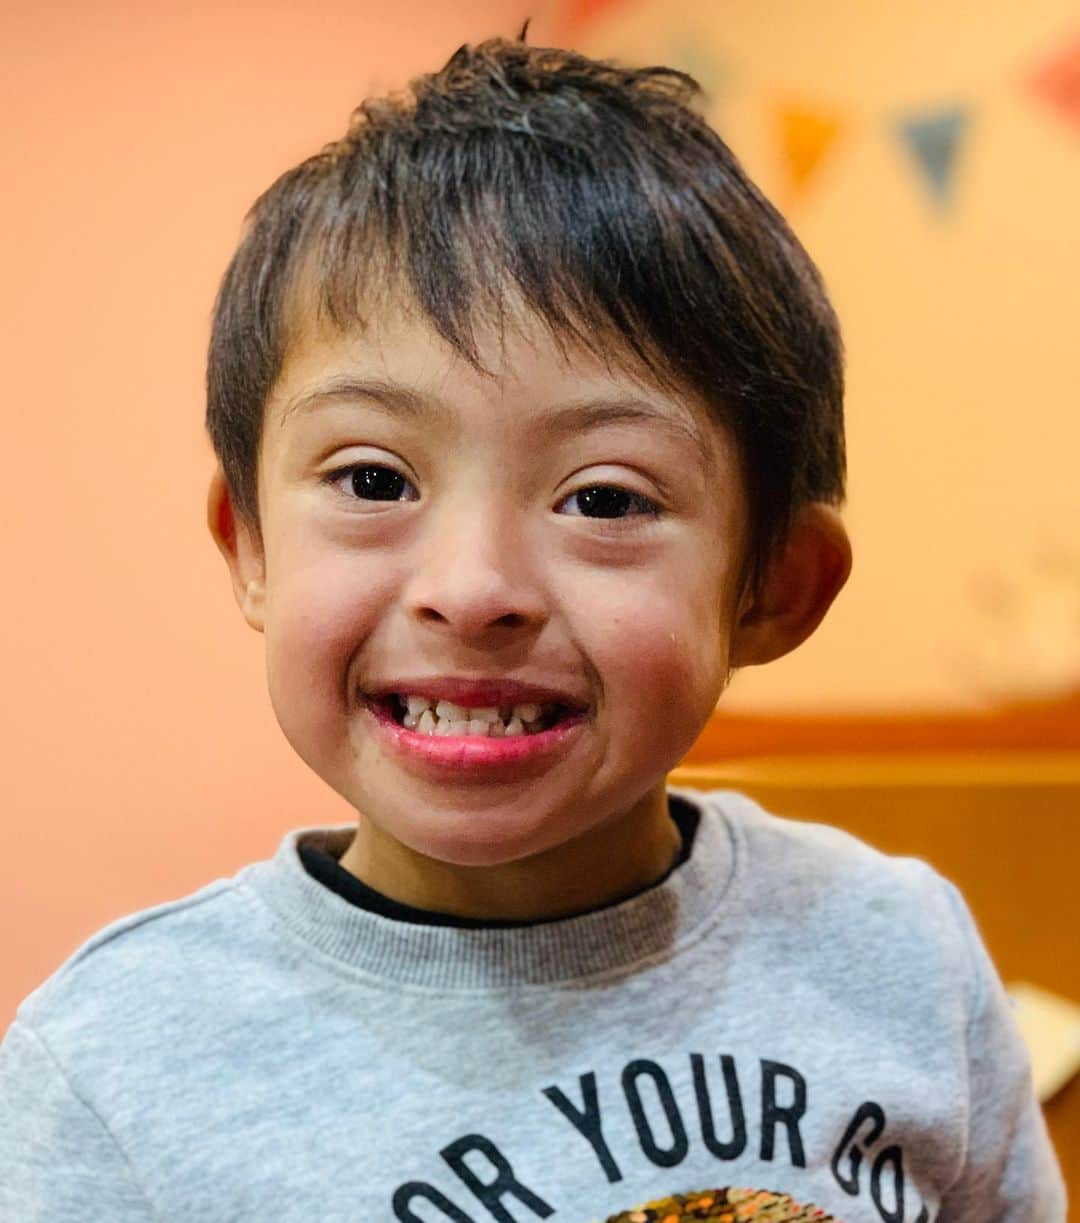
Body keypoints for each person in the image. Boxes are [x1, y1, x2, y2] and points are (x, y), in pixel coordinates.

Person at [0, 31, 1066, 1223]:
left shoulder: (900, 951)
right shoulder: (113, 1067)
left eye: (604, 498)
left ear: (776, 586)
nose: (472, 586)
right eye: (371, 479)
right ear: (247, 543)